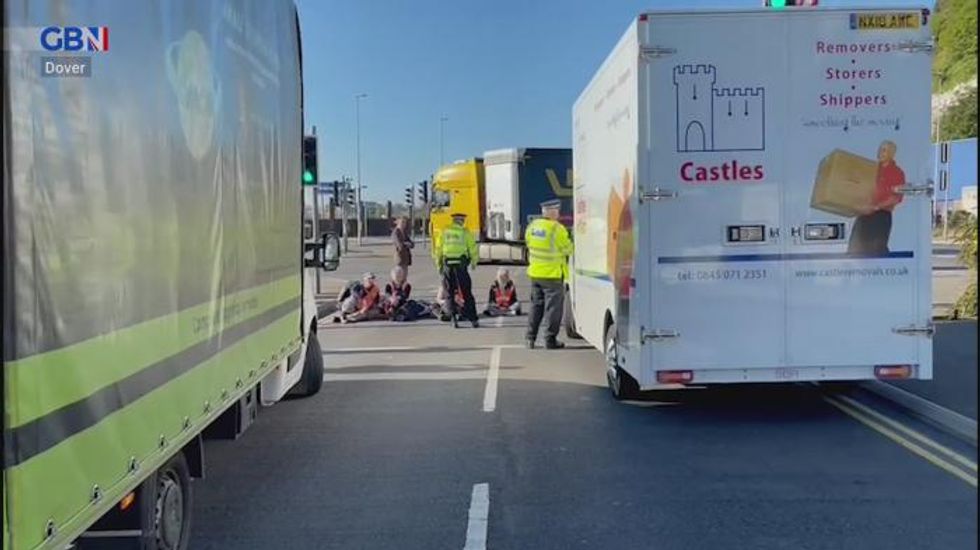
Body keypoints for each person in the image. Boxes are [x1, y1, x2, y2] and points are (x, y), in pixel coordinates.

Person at [525, 199, 573, 349]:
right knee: (553, 309)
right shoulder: (556, 229)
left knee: (536, 306)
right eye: (557, 211)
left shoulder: (532, 226)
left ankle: (530, 338)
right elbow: (568, 249)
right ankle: (550, 339)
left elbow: (528, 243)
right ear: (552, 212)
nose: (558, 214)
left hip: (535, 274)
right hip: (552, 275)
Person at [848, 140, 905, 255]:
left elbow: (896, 198)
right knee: (855, 250)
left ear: (892, 153)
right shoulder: (871, 169)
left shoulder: (897, 173)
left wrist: (876, 207)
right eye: (880, 149)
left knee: (876, 251)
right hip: (864, 214)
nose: (880, 152)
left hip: (880, 216)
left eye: (884, 150)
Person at [434, 212, 479, 328]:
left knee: (449, 293)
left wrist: (438, 265)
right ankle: (473, 319)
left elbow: (438, 250)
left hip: (448, 266)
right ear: (462, 221)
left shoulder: (445, 232)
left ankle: (453, 319)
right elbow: (473, 248)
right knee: (466, 292)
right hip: (461, 266)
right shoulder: (465, 232)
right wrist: (474, 262)